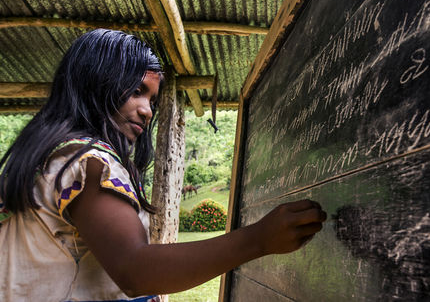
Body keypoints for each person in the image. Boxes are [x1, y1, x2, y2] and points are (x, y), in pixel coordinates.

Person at [0, 29, 326, 301]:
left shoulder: (53, 159)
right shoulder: (88, 163)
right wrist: (258, 239)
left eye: (152, 99)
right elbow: (134, 270)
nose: (147, 110)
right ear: (95, 83)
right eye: (136, 91)